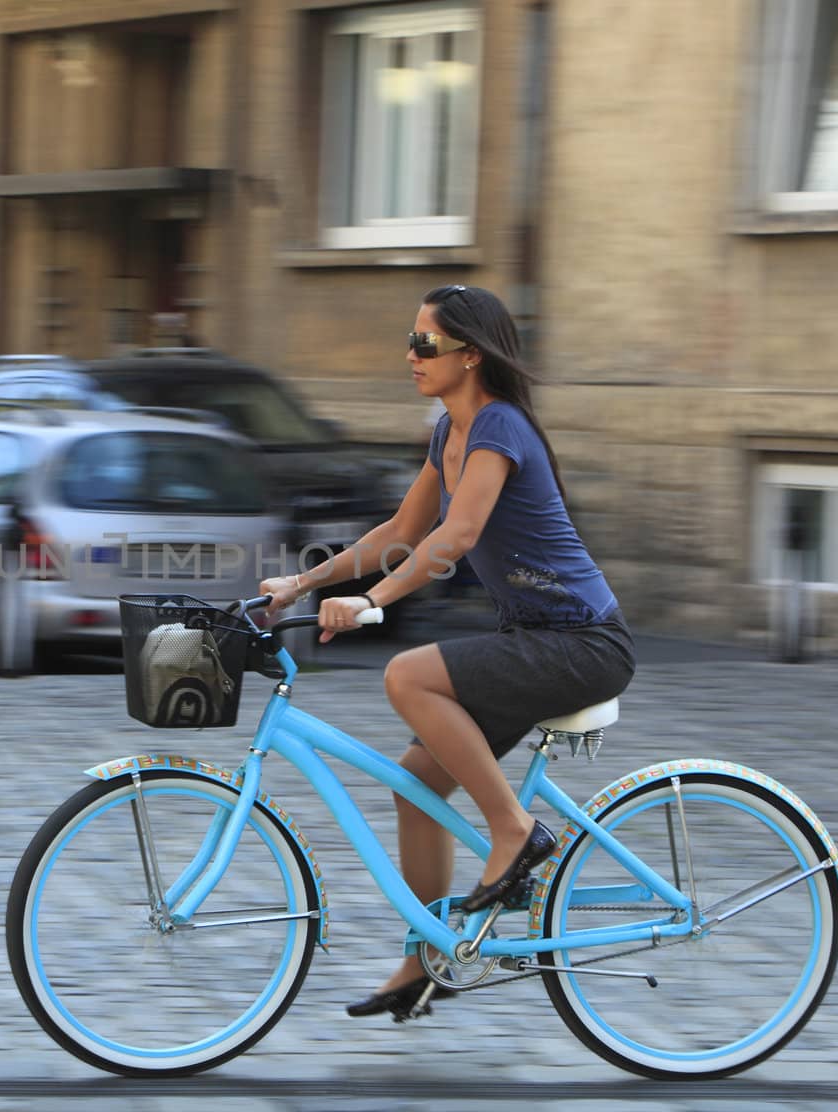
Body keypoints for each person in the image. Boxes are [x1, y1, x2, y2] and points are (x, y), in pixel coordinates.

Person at [259, 284, 635, 1022]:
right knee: (416, 785)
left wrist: (375, 603)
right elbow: (400, 530)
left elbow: (455, 538)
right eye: (410, 341)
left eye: (424, 344)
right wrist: (300, 584)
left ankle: (515, 833)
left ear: (471, 355)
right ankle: (424, 964)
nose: (410, 355)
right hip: (532, 640)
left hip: (583, 643)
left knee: (407, 674)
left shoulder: (500, 427)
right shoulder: (449, 434)